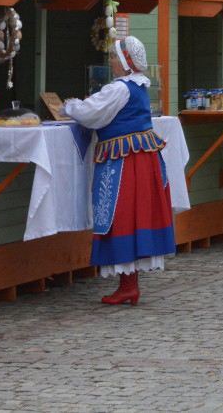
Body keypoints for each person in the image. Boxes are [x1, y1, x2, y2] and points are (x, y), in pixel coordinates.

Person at [64, 36, 175, 306]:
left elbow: (91, 114)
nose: (111, 61)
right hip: (140, 158)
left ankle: (128, 285)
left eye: (114, 57)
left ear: (126, 63)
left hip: (124, 160)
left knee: (122, 215)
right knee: (133, 217)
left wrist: (69, 106)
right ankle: (129, 285)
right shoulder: (137, 86)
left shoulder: (120, 88)